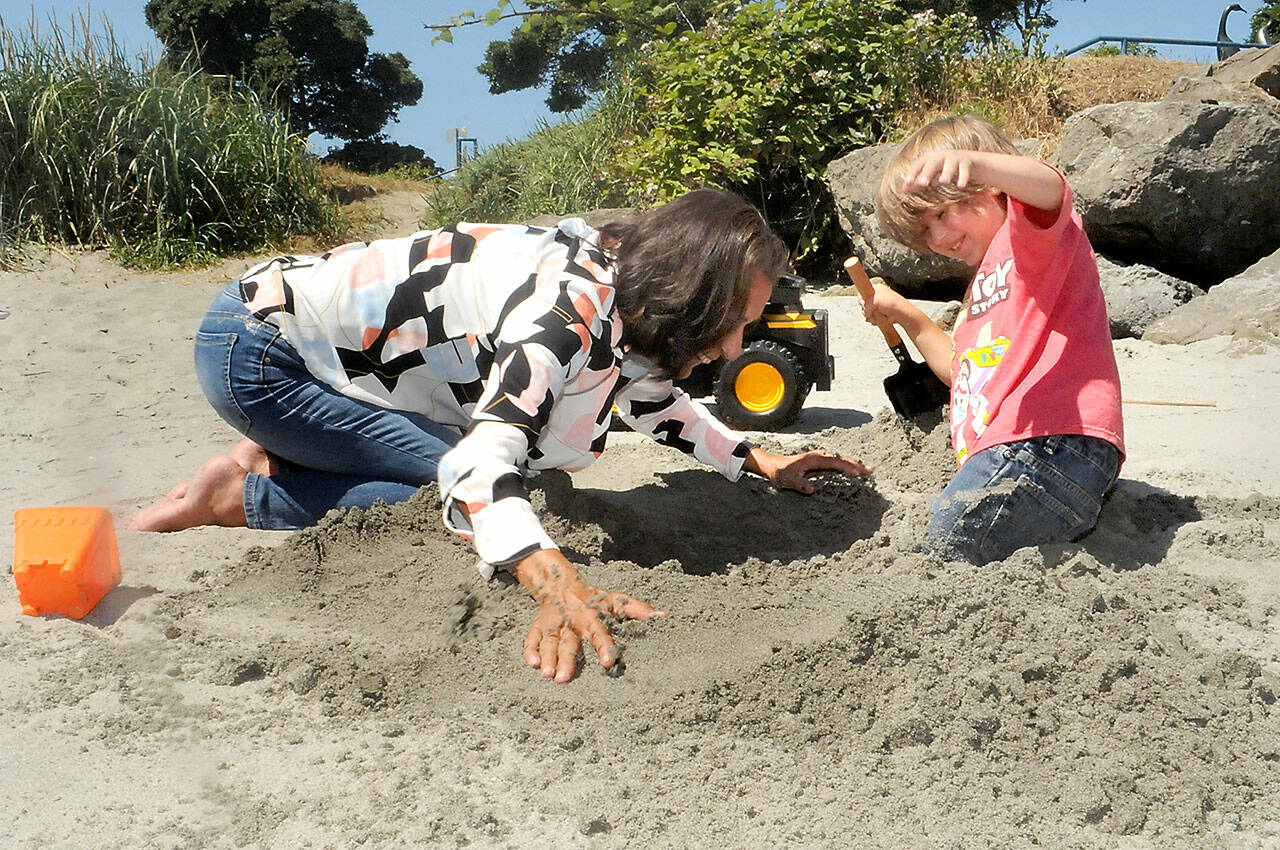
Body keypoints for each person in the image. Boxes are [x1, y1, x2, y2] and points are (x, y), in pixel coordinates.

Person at [127, 188, 870, 682]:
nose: (737, 349)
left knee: (520, 491)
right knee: (452, 493)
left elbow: (646, 392)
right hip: (261, 353)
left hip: (332, 359)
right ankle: (249, 493)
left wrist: (754, 459)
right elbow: (480, 467)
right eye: (735, 322)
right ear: (690, 292)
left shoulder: (626, 281)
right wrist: (553, 582)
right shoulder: (565, 314)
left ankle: (295, 448)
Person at [866, 113, 1124, 564]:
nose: (939, 237)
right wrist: (910, 317)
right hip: (1031, 457)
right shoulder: (982, 286)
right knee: (959, 534)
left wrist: (977, 164)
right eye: (925, 230)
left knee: (945, 540)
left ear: (993, 189)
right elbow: (965, 373)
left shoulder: (1029, 238)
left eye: (943, 213)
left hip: (1049, 442)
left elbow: (1051, 189)